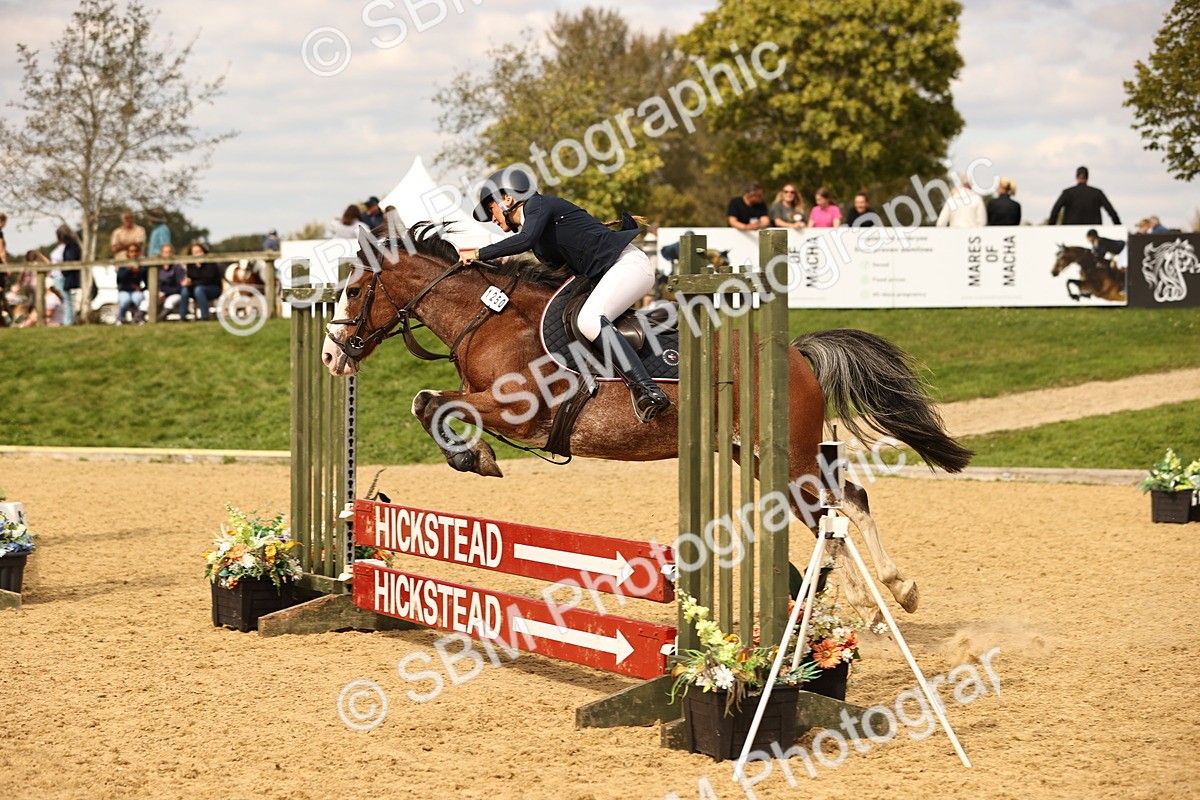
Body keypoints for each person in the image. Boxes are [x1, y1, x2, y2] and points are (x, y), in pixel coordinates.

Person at [460, 166, 669, 423]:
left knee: (590, 320)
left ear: (507, 198)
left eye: (490, 208)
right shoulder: (538, 238)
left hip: (628, 266)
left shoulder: (539, 205)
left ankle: (648, 390)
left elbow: (522, 241)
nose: (491, 218)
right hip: (606, 274)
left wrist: (479, 254)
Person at [1048, 166, 1120, 225]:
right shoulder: (1097, 193)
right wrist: (1118, 224)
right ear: (1087, 178)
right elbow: (1110, 210)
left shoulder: (1067, 193)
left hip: (1070, 230)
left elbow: (1055, 210)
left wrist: (1051, 226)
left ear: (1076, 177)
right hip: (1093, 232)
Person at [180, 242, 223, 321]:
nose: (199, 254)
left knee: (199, 289)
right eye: (196, 252)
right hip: (197, 288)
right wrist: (188, 282)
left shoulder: (210, 263)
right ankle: (182, 317)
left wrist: (192, 283)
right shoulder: (191, 265)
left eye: (200, 251)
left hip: (213, 288)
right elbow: (191, 278)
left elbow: (207, 280)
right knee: (185, 290)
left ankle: (204, 317)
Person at [115, 243, 147, 324]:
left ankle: (138, 318)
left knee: (138, 298)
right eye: (131, 251)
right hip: (124, 290)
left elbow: (147, 280)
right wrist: (129, 270)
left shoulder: (142, 265)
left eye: (136, 251)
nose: (134, 253)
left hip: (136, 290)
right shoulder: (123, 264)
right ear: (128, 253)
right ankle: (120, 318)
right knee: (125, 300)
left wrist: (142, 289)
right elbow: (120, 280)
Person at [156, 243, 186, 320]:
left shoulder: (177, 267)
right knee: (149, 300)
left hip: (175, 293)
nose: (168, 254)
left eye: (170, 252)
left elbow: (180, 285)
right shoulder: (157, 267)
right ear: (161, 254)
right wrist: (159, 293)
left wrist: (165, 294)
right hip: (160, 293)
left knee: (169, 302)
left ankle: (159, 319)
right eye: (165, 252)